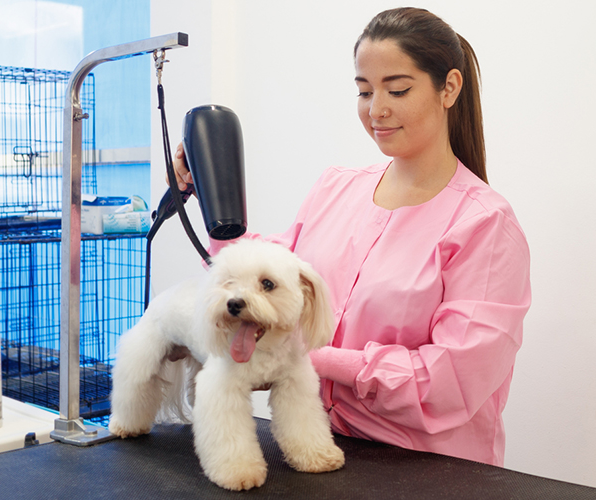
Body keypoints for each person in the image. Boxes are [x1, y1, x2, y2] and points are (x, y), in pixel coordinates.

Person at [170, 7, 530, 467]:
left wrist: (309, 357)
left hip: (431, 469)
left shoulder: (485, 225)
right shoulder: (337, 187)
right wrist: (206, 194)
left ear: (450, 88)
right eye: (364, 90)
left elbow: (449, 382)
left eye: (397, 90)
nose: (376, 109)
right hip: (326, 449)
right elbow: (268, 275)